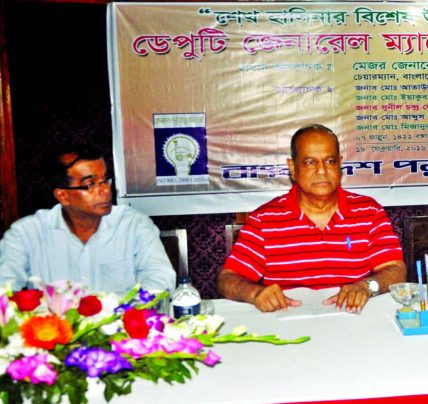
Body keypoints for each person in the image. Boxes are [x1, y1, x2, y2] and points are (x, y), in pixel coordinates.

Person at [218, 124, 406, 313]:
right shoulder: (264, 220)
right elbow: (228, 279)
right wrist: (255, 293)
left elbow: (396, 270)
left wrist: (367, 286)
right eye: (310, 162)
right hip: (288, 325)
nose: (322, 171)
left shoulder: (369, 212)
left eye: (330, 161)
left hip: (353, 319)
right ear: (293, 167)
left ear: (340, 164)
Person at [0, 145, 176, 293]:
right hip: (56, 331)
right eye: (91, 184)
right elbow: (4, 290)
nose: (105, 190)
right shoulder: (26, 233)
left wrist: (127, 312)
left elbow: (159, 278)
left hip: (120, 328)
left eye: (105, 180)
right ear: (63, 195)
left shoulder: (133, 225)